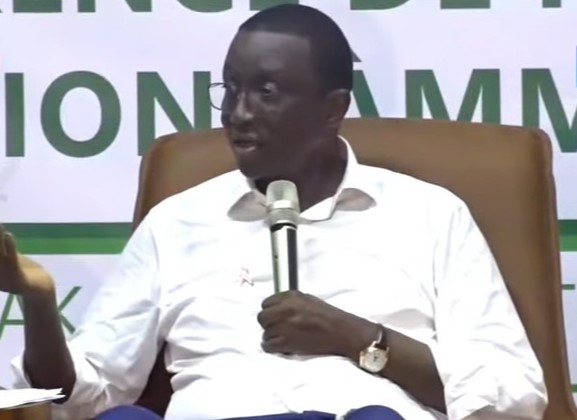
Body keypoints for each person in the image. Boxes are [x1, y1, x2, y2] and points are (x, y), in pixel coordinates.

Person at [0, 4, 546, 420]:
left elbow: (516, 394)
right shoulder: (175, 223)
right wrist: (40, 302)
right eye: (231, 89)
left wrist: (357, 337)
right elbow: (85, 393)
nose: (238, 113)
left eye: (266, 92)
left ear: (333, 108)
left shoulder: (430, 215)